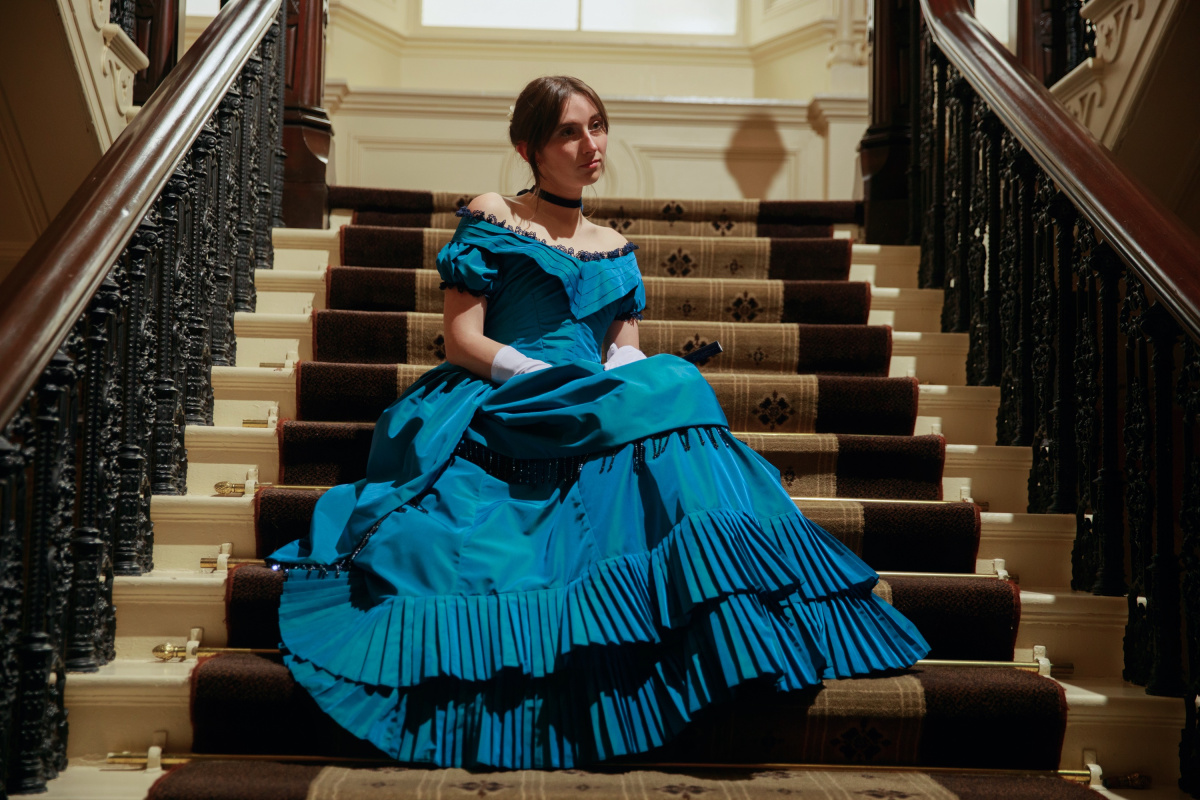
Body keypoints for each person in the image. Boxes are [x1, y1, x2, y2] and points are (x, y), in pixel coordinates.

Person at [267, 75, 929, 770]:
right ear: (529, 146)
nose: (592, 144)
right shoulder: (494, 215)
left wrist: (623, 378)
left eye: (598, 126)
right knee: (675, 383)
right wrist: (539, 373)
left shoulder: (615, 244)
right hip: (505, 391)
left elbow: (622, 350)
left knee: (672, 377)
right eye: (570, 132)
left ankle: (726, 599)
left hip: (590, 399)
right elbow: (463, 341)